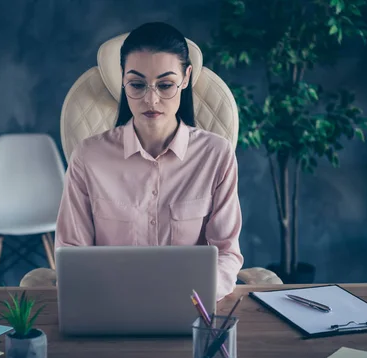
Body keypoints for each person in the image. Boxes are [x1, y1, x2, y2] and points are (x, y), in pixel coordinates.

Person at [54, 21, 243, 299]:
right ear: (122, 79)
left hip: (190, 309)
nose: (151, 100)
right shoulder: (87, 157)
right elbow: (71, 252)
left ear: (186, 78)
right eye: (137, 84)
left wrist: (195, 293)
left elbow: (227, 253)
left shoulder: (217, 155)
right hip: (110, 306)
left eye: (165, 85)